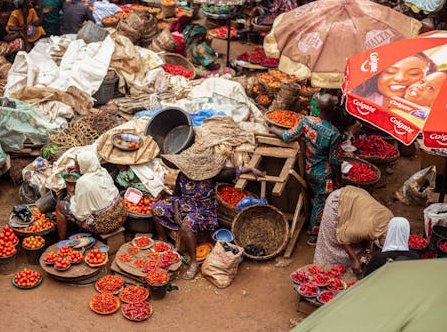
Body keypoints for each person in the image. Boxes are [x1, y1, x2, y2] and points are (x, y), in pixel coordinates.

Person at [151, 147, 264, 279]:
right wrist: (176, 212)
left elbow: (234, 172)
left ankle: (193, 263)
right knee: (156, 208)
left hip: (204, 211)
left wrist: (250, 169)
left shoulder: (212, 175)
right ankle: (163, 241)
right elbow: (176, 196)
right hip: (184, 205)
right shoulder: (182, 175)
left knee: (186, 226)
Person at [269, 94, 342, 243]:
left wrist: (272, 128)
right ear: (333, 111)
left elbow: (286, 136)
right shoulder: (334, 133)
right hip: (324, 174)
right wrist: (338, 180)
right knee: (321, 203)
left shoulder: (306, 121)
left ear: (319, 107)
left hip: (309, 170)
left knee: (314, 199)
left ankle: (313, 226)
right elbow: (335, 161)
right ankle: (313, 236)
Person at [313, 185, 394, 276]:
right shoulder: (365, 230)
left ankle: (346, 270)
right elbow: (343, 239)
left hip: (356, 199)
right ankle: (322, 270)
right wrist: (354, 259)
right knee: (332, 241)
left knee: (359, 245)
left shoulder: (389, 218)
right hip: (338, 203)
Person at [55, 151, 127, 241]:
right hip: (121, 214)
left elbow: (80, 213)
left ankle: (61, 240)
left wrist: (71, 191)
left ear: (83, 165)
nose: (75, 165)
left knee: (60, 206)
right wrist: (79, 169)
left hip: (105, 225)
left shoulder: (83, 182)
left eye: (77, 164)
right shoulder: (103, 171)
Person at [353, 54, 434, 108]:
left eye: (414, 74)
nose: (400, 78)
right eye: (390, 71)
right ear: (376, 76)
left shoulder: (428, 109)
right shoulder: (361, 102)